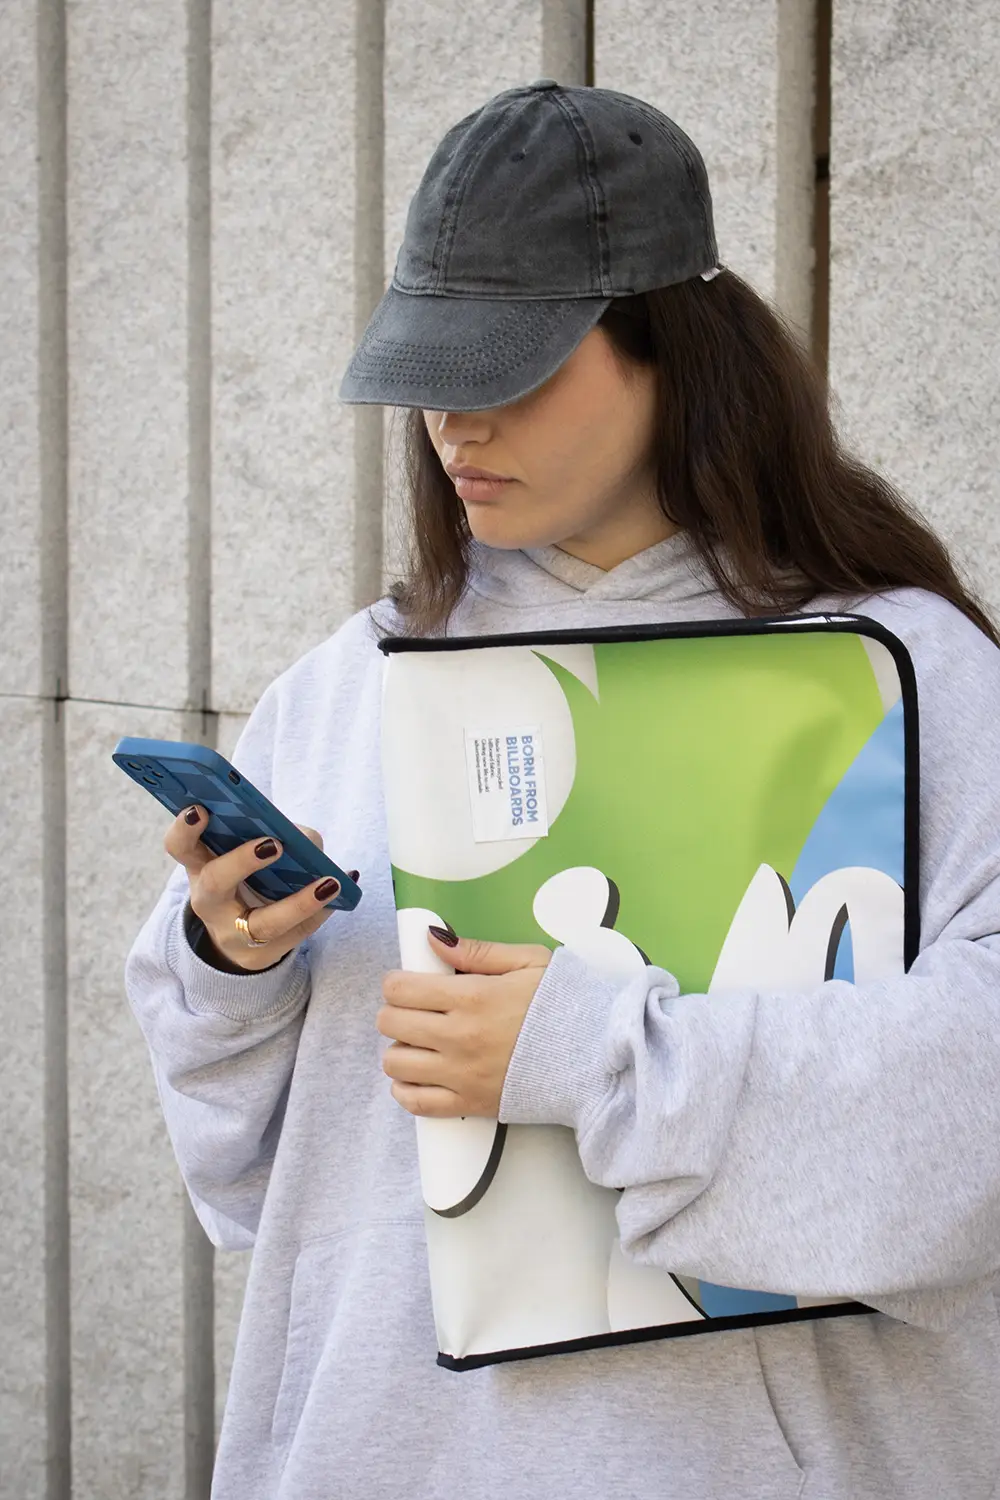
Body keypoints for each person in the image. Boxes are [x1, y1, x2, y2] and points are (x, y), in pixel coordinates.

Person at [125, 80, 1000, 1500]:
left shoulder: (903, 676)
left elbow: (979, 1118)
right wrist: (226, 966)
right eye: (430, 370)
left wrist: (591, 1052)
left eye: (510, 367)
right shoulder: (353, 679)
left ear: (677, 351)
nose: (455, 424)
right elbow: (257, 1187)